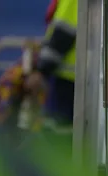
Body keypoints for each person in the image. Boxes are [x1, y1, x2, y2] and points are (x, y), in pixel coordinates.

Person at [25, 0, 77, 129]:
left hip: (67, 78)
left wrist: (41, 71)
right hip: (73, 77)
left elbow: (63, 33)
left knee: (57, 131)